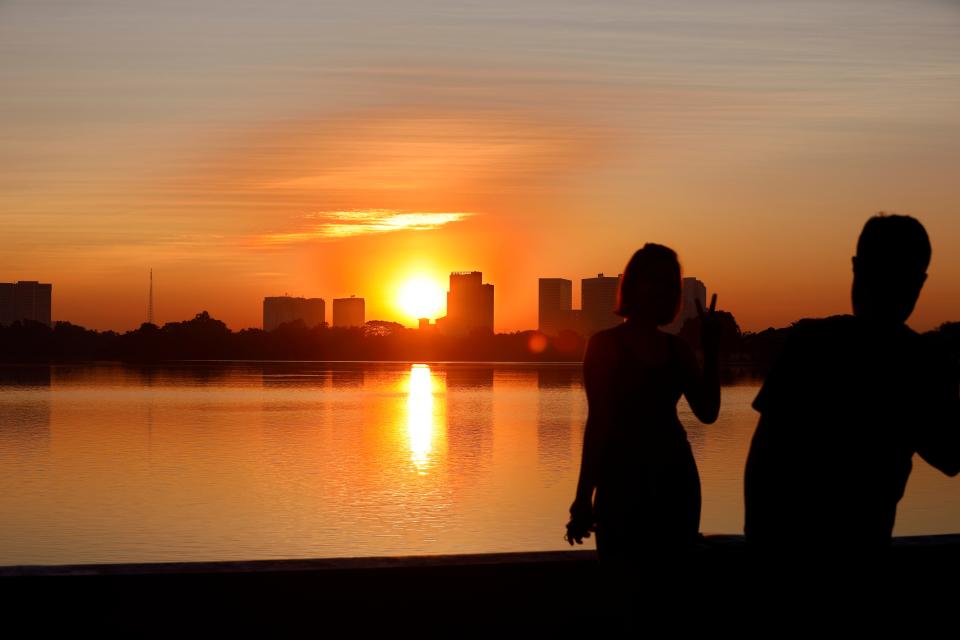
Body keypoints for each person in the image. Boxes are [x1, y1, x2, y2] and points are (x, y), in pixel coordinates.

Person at [744, 214, 960, 551]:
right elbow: (949, 454)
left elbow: (761, 465)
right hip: (862, 547)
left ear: (856, 269)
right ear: (920, 283)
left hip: (788, 546)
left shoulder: (809, 344)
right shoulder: (920, 362)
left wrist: (760, 543)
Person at [565, 244, 721, 561]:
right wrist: (583, 498)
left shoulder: (678, 351)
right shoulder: (604, 346)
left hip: (675, 483)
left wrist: (712, 349)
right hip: (620, 484)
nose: (662, 290)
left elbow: (707, 412)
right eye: (654, 280)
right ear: (633, 284)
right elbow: (598, 425)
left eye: (669, 284)